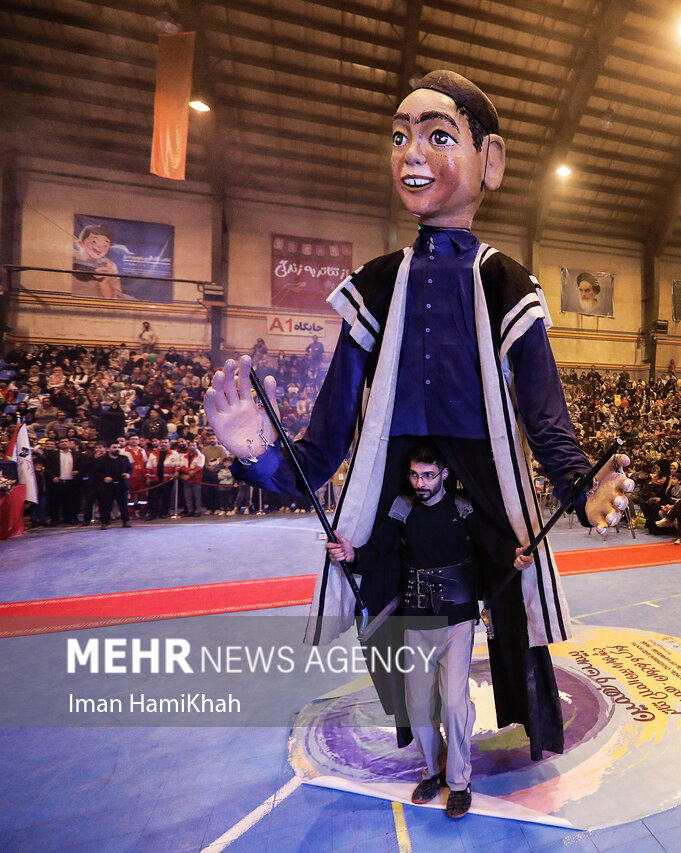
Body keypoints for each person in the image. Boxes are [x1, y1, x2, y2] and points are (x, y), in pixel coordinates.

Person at [204, 71, 630, 773]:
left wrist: (579, 486)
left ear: (489, 161)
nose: (411, 153)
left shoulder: (506, 282)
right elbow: (328, 439)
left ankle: (523, 724)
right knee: (375, 582)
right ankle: (423, 734)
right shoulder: (376, 283)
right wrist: (259, 451)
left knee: (516, 589)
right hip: (392, 461)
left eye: (437, 136)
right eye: (399, 136)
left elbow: (542, 409)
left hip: (486, 462)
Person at [325, 441, 521, 818]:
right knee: (417, 706)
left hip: (458, 623)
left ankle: (460, 782)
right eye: (415, 474)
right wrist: (353, 555)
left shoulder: (462, 508)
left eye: (428, 475)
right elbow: (378, 550)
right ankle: (434, 771)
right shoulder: (402, 509)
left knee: (452, 704)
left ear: (445, 474)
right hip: (416, 623)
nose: (420, 482)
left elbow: (494, 544)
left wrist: (515, 553)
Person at [90, 439, 132, 528]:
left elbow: (130, 469)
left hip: (121, 485)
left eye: (118, 447)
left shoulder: (124, 458)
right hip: (107, 486)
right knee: (105, 505)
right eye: (114, 447)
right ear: (109, 449)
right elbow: (96, 472)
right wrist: (104, 478)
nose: (117, 449)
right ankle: (105, 522)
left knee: (123, 504)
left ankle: (126, 521)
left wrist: (128, 474)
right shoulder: (101, 460)